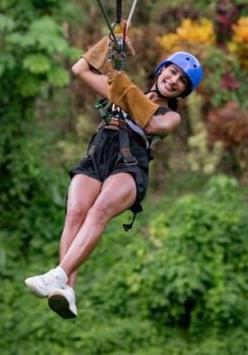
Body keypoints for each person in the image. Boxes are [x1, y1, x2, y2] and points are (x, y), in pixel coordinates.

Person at [24, 32, 203, 319]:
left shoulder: (171, 115)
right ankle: (67, 290)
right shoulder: (123, 90)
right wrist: (110, 41)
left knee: (99, 211)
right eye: (172, 72)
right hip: (99, 152)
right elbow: (80, 69)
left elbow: (151, 123)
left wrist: (119, 81)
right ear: (162, 70)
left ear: (182, 92)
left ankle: (57, 275)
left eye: (182, 81)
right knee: (75, 213)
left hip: (130, 162)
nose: (174, 80)